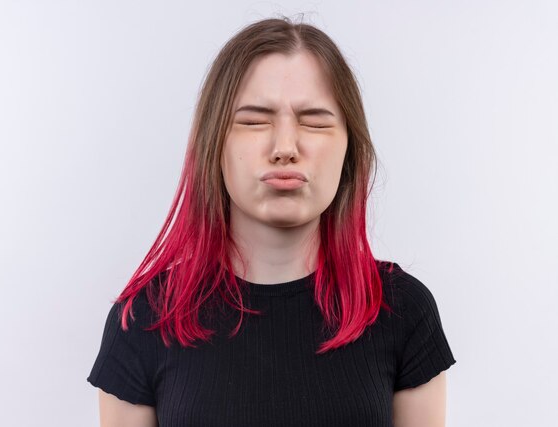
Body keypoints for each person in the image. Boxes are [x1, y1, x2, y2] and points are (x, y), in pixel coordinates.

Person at [87, 16, 456, 427]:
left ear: (349, 149)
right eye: (253, 120)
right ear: (214, 143)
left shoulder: (403, 312)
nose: (285, 147)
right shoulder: (144, 321)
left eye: (314, 121)